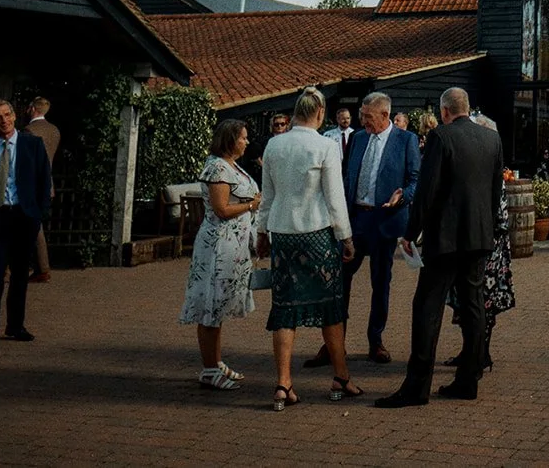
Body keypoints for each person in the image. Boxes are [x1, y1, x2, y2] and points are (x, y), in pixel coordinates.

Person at [377, 87, 505, 408]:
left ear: (445, 111)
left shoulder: (441, 137)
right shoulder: (492, 139)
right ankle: (468, 380)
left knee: (426, 307)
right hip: (478, 236)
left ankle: (416, 387)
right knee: (473, 305)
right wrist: (486, 230)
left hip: (445, 238)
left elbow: (427, 191)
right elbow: (495, 190)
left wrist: (410, 232)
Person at [256, 87, 359, 411]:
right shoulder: (326, 146)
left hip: (283, 234)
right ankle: (340, 377)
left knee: (285, 308)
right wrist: (346, 236)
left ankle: (283, 384)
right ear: (319, 114)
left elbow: (267, 195)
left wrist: (261, 232)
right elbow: (334, 197)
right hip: (317, 235)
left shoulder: (275, 144)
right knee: (330, 307)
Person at [303, 91, 418, 368]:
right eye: (362, 116)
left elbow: (416, 180)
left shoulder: (406, 140)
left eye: (368, 117)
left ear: (385, 115)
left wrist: (402, 196)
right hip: (355, 221)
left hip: (385, 221)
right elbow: (345, 177)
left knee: (381, 282)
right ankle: (333, 343)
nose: (363, 122)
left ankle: (375, 341)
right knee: (340, 281)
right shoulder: (358, 138)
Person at [179, 119, 261, 390]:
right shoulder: (216, 167)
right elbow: (221, 209)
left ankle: (215, 361)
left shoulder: (231, 166)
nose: (246, 142)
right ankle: (209, 367)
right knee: (210, 305)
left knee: (219, 306)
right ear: (230, 139)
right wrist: (251, 204)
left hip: (233, 246)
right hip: (219, 246)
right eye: (243, 138)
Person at [0, 99, 52, 355]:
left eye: (7, 115)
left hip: (23, 217)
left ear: (15, 116)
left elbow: (43, 180)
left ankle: (15, 325)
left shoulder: (33, 145)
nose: (3, 121)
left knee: (19, 276)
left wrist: (38, 215)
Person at [444, 110, 514, 372]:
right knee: (470, 301)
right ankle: (470, 351)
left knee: (483, 302)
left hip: (488, 246)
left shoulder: (492, 170)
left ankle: (480, 353)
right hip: (480, 242)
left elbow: (500, 213)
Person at [22, 97, 59, 282]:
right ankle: (41, 267)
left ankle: (41, 268)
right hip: (47, 183)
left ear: (32, 108)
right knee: (36, 226)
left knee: (31, 226)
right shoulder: (54, 130)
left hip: (31, 184)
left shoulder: (29, 131)